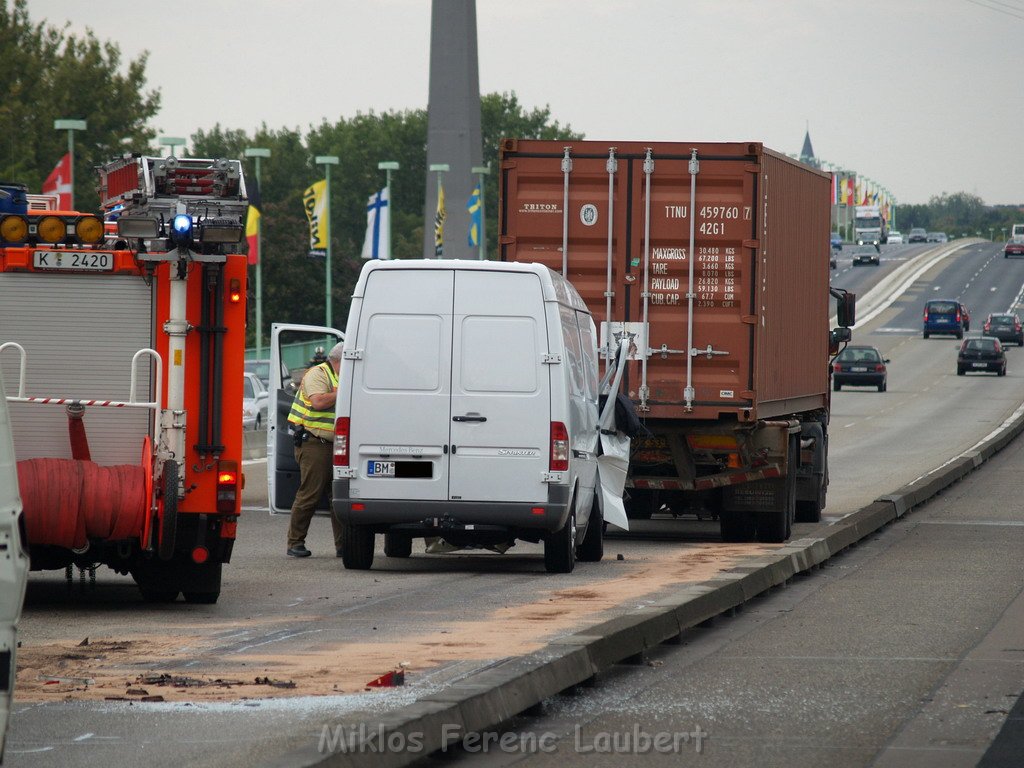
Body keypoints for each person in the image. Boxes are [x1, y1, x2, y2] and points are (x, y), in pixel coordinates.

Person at [285, 341, 345, 557]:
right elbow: (318, 402)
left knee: (338, 498)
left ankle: (343, 545)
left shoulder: (341, 375)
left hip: (337, 445)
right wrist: (343, 391)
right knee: (310, 493)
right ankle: (295, 543)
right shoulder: (318, 374)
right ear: (338, 360)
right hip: (314, 442)